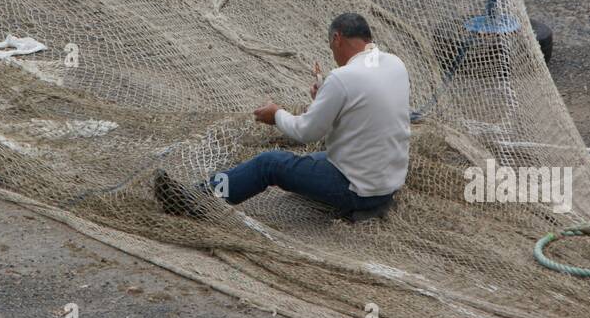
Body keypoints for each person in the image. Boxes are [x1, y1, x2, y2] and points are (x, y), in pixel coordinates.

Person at [154, 12, 409, 219]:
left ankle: (198, 198)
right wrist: (323, 97)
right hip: (387, 182)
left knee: (269, 164)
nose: (333, 54)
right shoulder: (395, 64)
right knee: (306, 161)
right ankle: (207, 190)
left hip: (357, 188)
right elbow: (362, 112)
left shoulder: (342, 79)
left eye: (332, 46)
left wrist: (275, 115)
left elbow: (306, 133)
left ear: (337, 39)